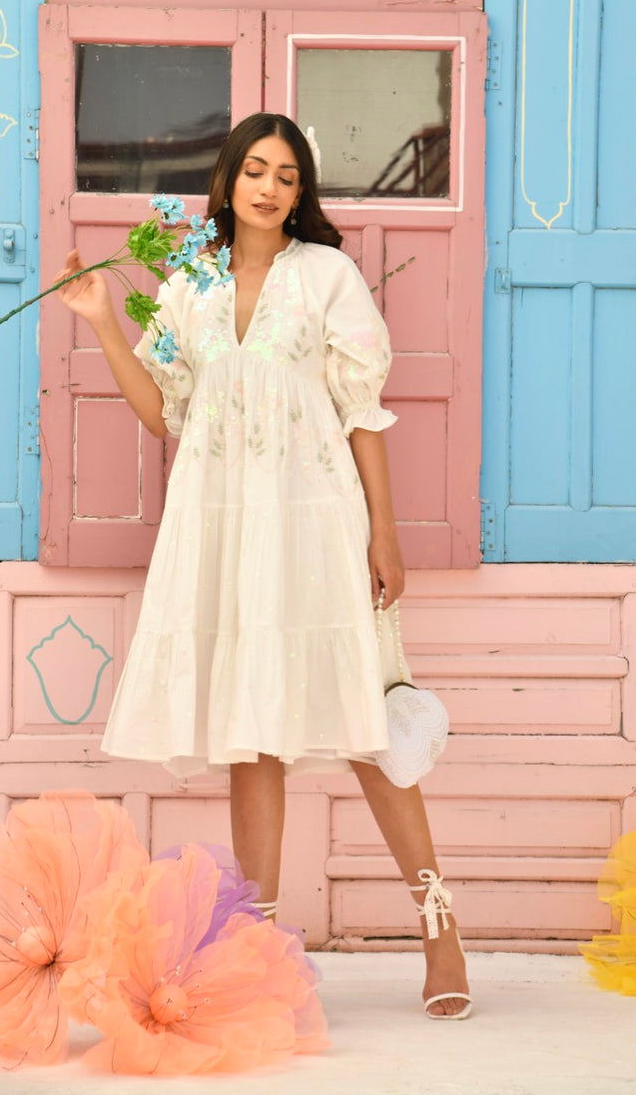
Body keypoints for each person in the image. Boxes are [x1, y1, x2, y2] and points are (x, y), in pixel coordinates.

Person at [56, 112, 472, 1021]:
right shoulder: (189, 284)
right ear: (229, 179)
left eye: (287, 174)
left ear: (301, 192)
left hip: (317, 521)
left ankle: (439, 926)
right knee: (256, 731)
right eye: (256, 169)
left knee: (366, 726)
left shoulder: (327, 275)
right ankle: (266, 952)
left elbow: (362, 412)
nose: (270, 187)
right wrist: (101, 325)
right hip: (226, 529)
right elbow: (165, 415)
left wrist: (386, 535)